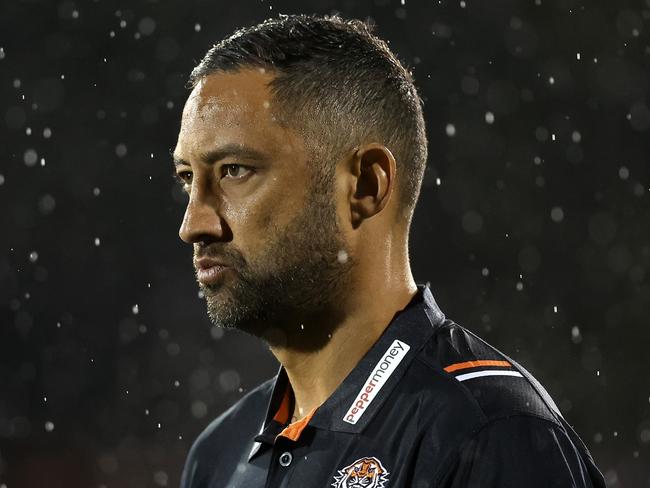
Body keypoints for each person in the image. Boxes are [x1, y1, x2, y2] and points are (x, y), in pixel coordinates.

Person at [173, 13, 606, 488]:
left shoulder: (488, 435)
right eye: (188, 179)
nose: (194, 224)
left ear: (365, 184)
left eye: (234, 170)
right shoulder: (219, 454)